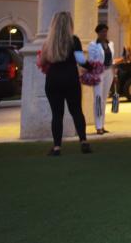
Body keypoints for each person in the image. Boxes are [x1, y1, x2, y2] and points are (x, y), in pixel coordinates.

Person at [41, 11, 91, 156]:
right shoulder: (74, 40)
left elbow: (43, 61)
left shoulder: (48, 42)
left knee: (57, 114)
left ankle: (57, 147)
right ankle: (83, 142)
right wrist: (93, 67)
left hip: (53, 80)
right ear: (70, 25)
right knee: (76, 111)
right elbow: (81, 61)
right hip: (71, 80)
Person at [87, 23, 115, 135]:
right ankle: (98, 126)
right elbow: (91, 60)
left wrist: (114, 70)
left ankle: (102, 125)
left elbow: (111, 59)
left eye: (106, 31)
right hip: (98, 73)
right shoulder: (93, 45)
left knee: (104, 99)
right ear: (98, 33)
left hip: (108, 72)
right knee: (98, 99)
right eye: (102, 31)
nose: (104, 33)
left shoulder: (110, 44)